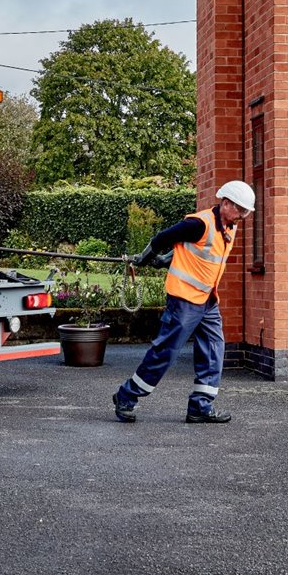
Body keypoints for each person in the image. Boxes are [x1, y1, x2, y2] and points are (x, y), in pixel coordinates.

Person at [111, 180, 257, 424]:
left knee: (213, 350)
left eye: (245, 211)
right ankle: (126, 396)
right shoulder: (198, 223)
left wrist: (166, 260)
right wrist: (148, 257)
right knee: (165, 352)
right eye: (240, 209)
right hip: (184, 301)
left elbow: (193, 253)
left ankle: (200, 407)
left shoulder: (229, 227)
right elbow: (162, 237)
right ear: (225, 203)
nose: (243, 215)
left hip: (208, 301)